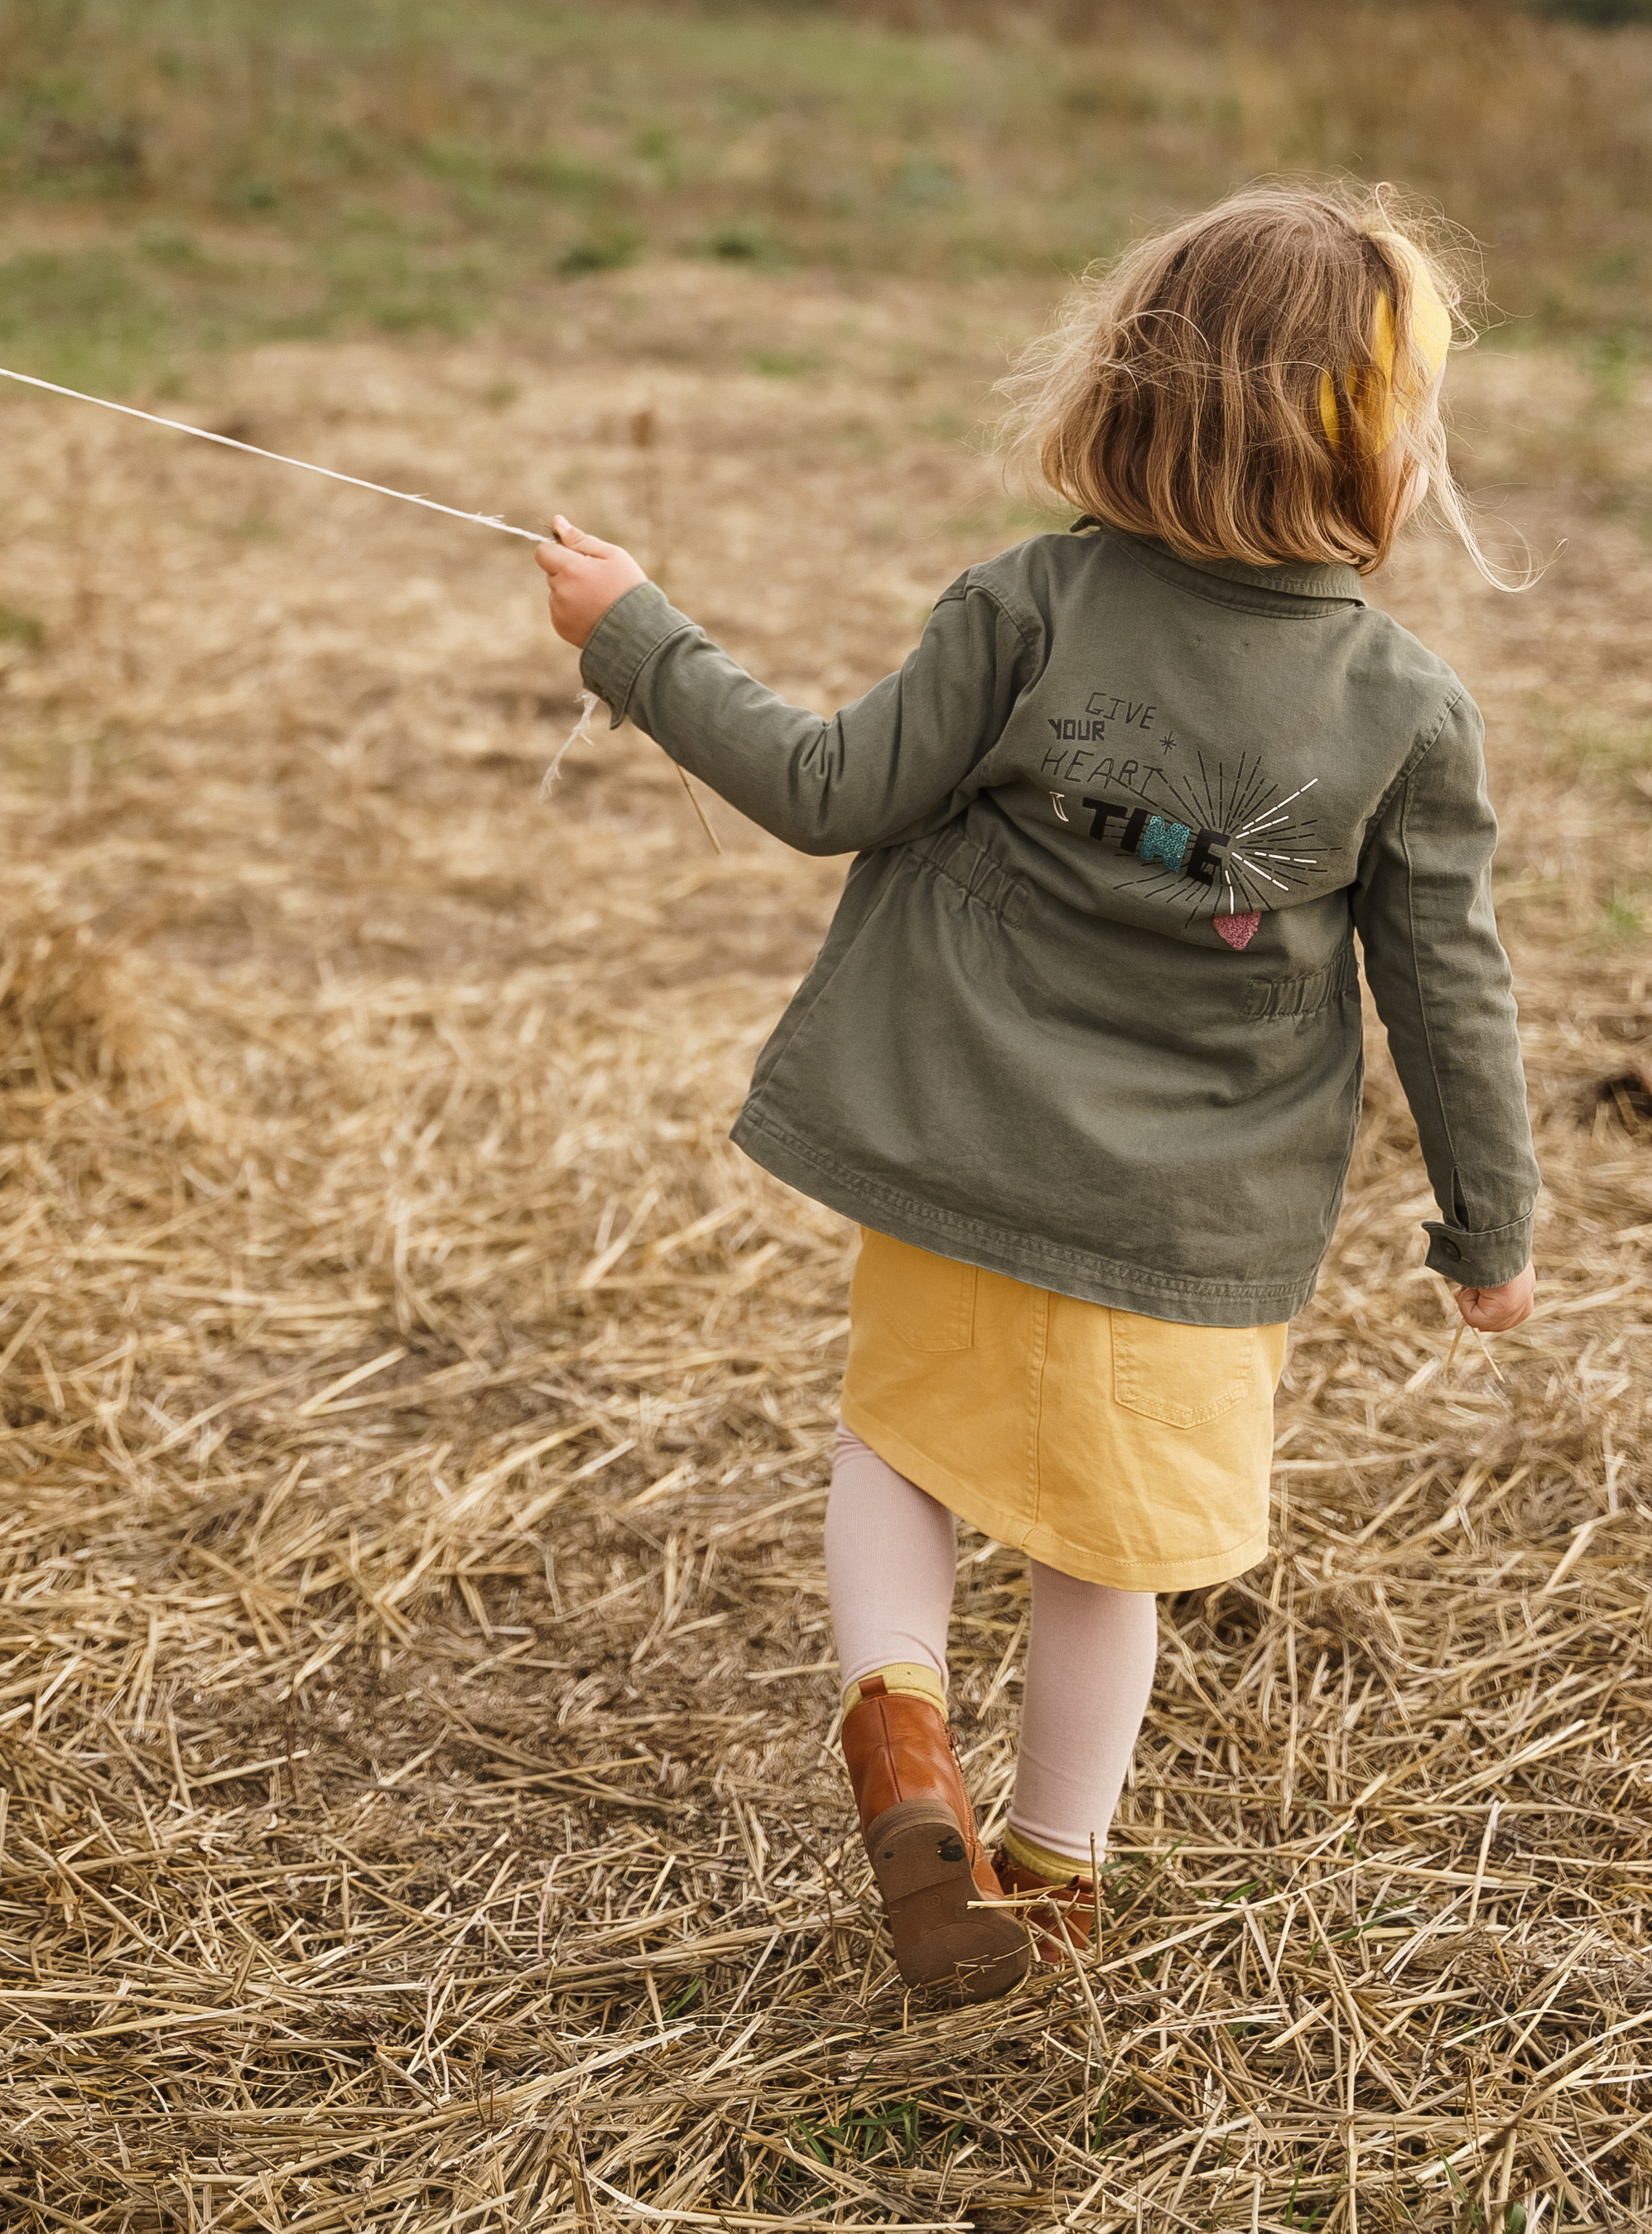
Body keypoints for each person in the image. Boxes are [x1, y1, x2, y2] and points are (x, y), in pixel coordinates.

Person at [534, 186, 1539, 1996]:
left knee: (896, 1453)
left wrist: (635, 635)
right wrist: (1486, 1223)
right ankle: (1052, 1880)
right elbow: (1444, 987)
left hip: (952, 1146)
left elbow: (827, 785)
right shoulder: (1405, 709)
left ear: (1137, 389)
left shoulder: (1029, 603)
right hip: (1188, 1216)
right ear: (1369, 444)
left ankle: (901, 1748)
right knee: (1106, 1559)